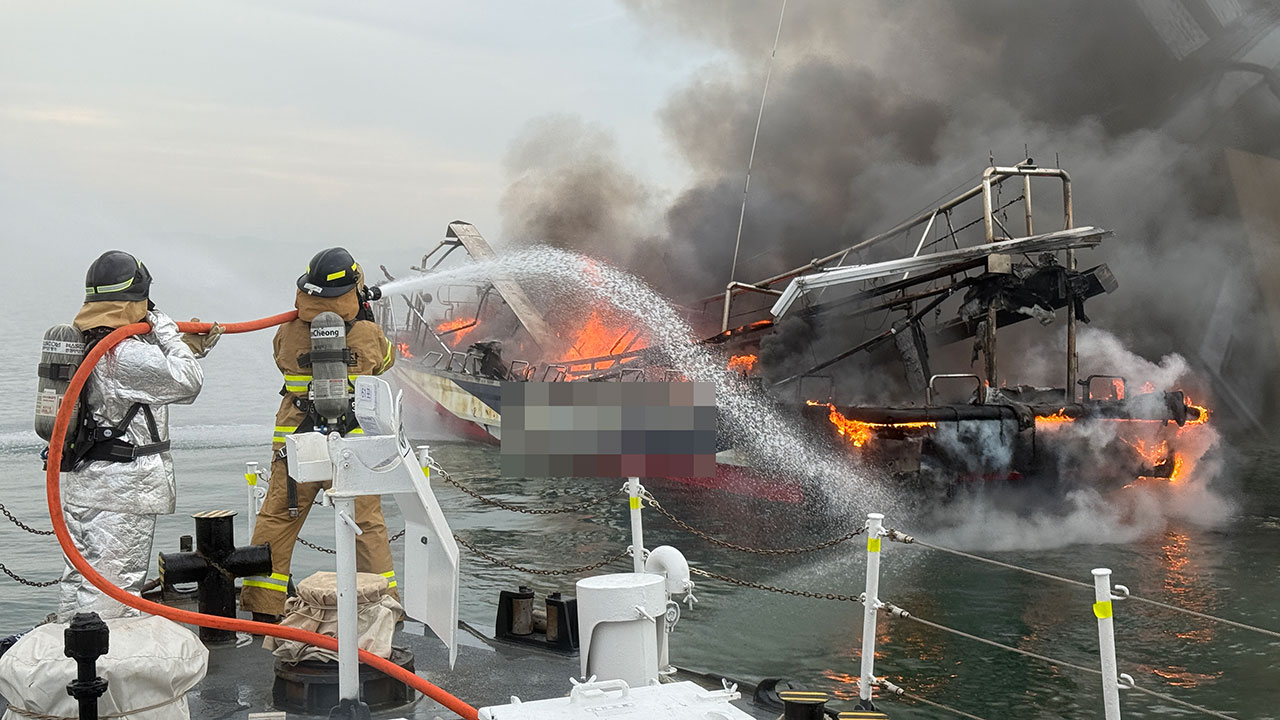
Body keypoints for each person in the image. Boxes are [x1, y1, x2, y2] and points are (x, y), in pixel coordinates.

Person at [57, 250, 223, 620]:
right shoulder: (122, 352)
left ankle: (67, 660)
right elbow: (188, 383)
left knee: (81, 581)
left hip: (86, 484)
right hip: (122, 490)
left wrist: (183, 348)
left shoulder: (88, 343)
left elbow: (148, 380)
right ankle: (97, 672)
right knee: (114, 592)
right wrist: (165, 328)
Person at [240, 247, 398, 622]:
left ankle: (263, 607)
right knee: (367, 525)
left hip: (297, 442)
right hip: (351, 446)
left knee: (278, 518)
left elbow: (280, 357)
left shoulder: (288, 333)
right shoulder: (368, 333)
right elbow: (387, 360)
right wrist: (364, 317)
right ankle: (381, 608)